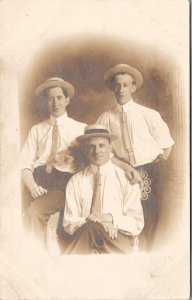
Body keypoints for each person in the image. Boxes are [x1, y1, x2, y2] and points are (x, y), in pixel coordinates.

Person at [96, 64, 174, 250]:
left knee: (152, 215)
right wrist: (127, 169)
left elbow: (167, 144)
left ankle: (150, 251)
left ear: (133, 87)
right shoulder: (105, 118)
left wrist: (158, 167)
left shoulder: (147, 114)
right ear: (112, 88)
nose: (121, 89)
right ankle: (132, 251)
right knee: (129, 215)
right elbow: (106, 154)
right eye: (117, 85)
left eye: (125, 85)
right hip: (125, 172)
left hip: (153, 170)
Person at [57, 124, 144, 254]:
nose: (97, 151)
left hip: (117, 241)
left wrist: (110, 218)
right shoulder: (75, 181)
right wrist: (97, 224)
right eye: (91, 147)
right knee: (92, 227)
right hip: (86, 237)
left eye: (101, 145)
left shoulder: (126, 179)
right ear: (86, 150)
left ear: (110, 147)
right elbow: (69, 223)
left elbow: (136, 223)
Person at [21, 77, 86, 244]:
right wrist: (32, 186)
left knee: (33, 213)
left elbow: (91, 160)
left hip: (61, 183)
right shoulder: (36, 130)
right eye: (50, 99)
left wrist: (76, 156)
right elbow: (24, 163)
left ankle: (34, 259)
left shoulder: (80, 128)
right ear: (46, 102)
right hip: (36, 180)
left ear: (67, 100)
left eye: (59, 98)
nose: (55, 103)